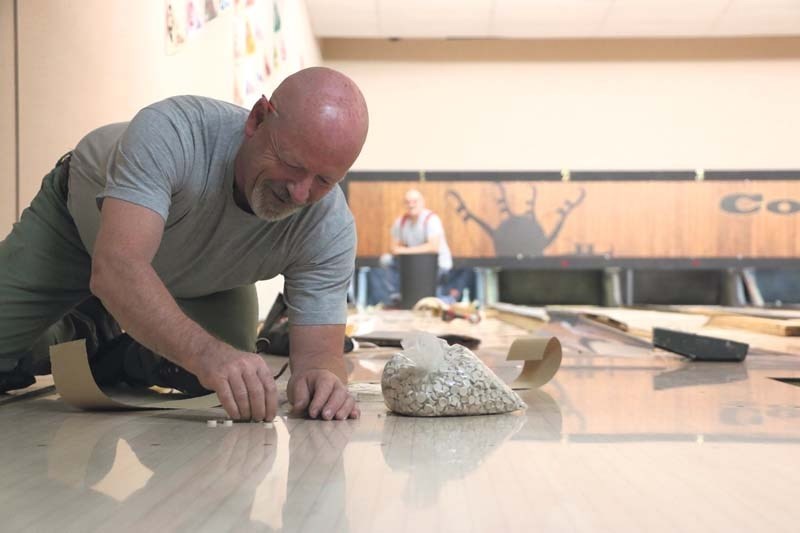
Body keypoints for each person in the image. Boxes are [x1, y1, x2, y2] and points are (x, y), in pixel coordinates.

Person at [0, 67, 369, 423]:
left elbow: (320, 357)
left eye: (323, 180)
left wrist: (323, 382)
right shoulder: (174, 130)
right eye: (290, 163)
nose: (300, 192)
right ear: (257, 119)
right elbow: (117, 268)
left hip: (206, 277)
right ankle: (82, 326)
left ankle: (115, 350)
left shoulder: (328, 226)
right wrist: (206, 353)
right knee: (209, 357)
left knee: (235, 378)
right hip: (78, 231)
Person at [367, 189, 453, 306]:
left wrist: (406, 251)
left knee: (432, 302)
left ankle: (445, 300)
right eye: (408, 202)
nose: (411, 205)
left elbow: (433, 247)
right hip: (412, 266)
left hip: (437, 266)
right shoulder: (401, 222)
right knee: (386, 260)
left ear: (422, 202)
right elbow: (394, 248)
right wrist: (404, 251)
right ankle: (395, 297)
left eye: (415, 201)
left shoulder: (431, 219)